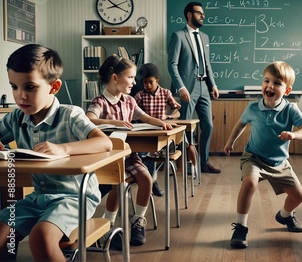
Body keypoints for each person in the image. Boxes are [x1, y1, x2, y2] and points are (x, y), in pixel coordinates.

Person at [0, 44, 112, 261]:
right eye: (14, 86)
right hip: (37, 198)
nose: (20, 96)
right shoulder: (16, 117)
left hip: (75, 199)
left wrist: (63, 149)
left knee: (40, 238)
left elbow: (104, 142)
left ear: (54, 87)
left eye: (30, 87)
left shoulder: (70, 115)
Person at [224, 61, 302, 249]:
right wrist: (230, 141)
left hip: (279, 162)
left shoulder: (290, 109)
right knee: (249, 182)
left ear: (287, 90)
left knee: (298, 197)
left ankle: (284, 216)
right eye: (267, 81)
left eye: (277, 83)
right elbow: (241, 123)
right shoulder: (253, 108)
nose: (270, 86)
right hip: (254, 157)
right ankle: (241, 227)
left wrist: (294, 135)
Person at [86, 55, 172, 248]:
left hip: (127, 154)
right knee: (119, 183)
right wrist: (113, 123)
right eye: (131, 77)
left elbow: (146, 118)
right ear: (115, 78)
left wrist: (163, 123)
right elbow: (89, 119)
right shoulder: (100, 101)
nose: (135, 82)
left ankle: (138, 221)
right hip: (107, 158)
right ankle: (108, 226)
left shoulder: (129, 101)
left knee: (146, 179)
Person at [168, 1, 221, 174]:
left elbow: (208, 63)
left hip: (204, 86)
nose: (202, 16)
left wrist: (213, 84)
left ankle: (203, 162)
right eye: (199, 13)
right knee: (185, 127)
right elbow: (172, 65)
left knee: (208, 126)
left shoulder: (205, 37)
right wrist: (180, 87)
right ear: (189, 15)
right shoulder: (178, 36)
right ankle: (186, 164)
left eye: (203, 14)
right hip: (187, 88)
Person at [134, 63, 199, 196]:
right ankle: (152, 181)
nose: (147, 85)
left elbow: (177, 111)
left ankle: (194, 167)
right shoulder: (140, 95)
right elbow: (133, 112)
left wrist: (170, 116)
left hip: (165, 129)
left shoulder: (165, 93)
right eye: (145, 83)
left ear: (157, 79)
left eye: (150, 82)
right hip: (148, 130)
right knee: (147, 152)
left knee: (186, 142)